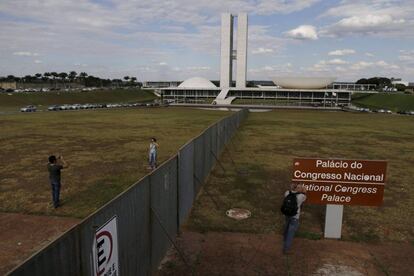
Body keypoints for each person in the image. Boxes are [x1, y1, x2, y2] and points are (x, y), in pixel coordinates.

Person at [282, 183, 307, 254]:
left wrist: (292, 188)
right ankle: (286, 248)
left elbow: (289, 191)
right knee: (291, 233)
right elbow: (305, 195)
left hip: (287, 215)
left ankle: (284, 242)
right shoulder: (301, 196)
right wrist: (303, 190)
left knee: (286, 229)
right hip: (295, 217)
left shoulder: (287, 193)